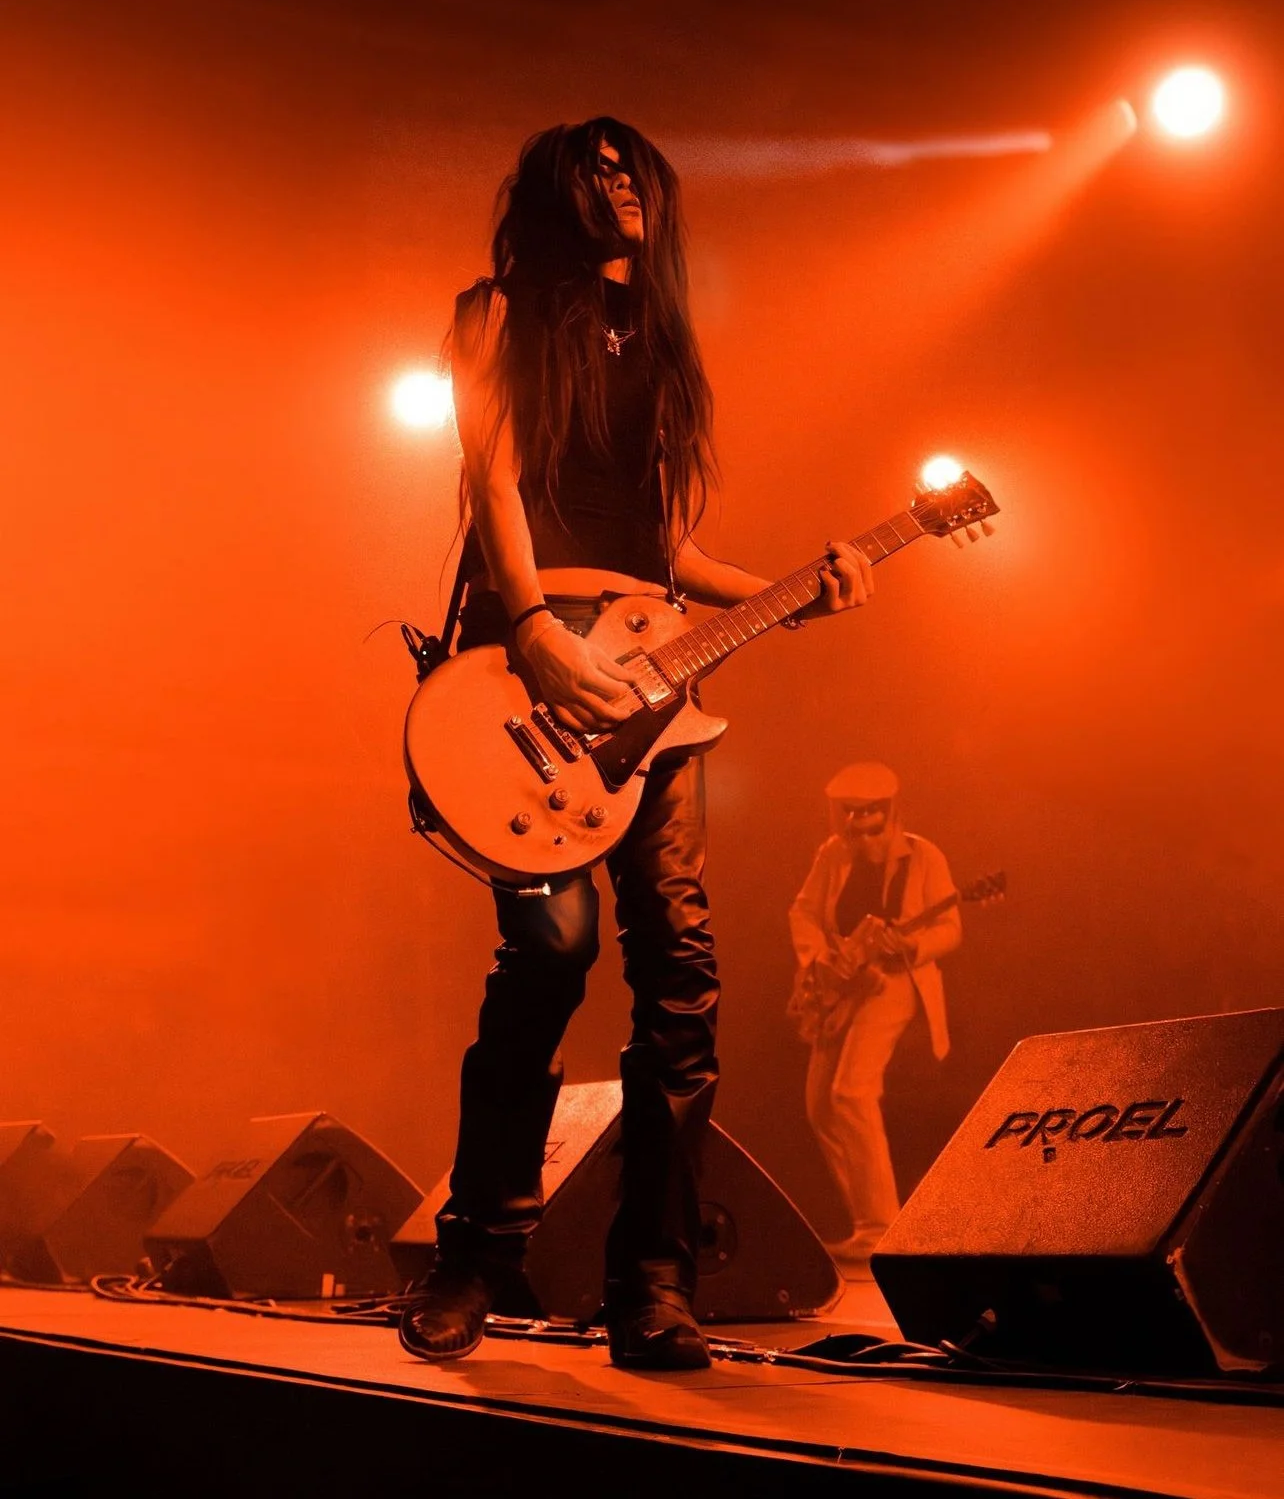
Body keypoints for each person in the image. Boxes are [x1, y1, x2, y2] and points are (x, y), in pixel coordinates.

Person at [398, 116, 873, 1371]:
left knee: (681, 968)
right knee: (552, 953)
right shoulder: (496, 315)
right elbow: (494, 482)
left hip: (654, 678)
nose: (620, 186)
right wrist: (535, 632)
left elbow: (668, 550)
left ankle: (654, 1285)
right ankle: (474, 1256)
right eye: (595, 170)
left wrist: (795, 592)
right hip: (530, 661)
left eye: (633, 170)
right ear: (558, 194)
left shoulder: (658, 339)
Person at [787, 762, 960, 1266]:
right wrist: (821, 960)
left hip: (895, 981)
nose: (861, 835)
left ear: (890, 814)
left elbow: (950, 928)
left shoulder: (925, 857)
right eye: (851, 821)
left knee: (851, 1091)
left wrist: (911, 945)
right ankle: (865, 1222)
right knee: (820, 1107)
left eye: (871, 823)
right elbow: (803, 912)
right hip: (842, 985)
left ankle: (880, 1228)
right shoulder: (832, 854)